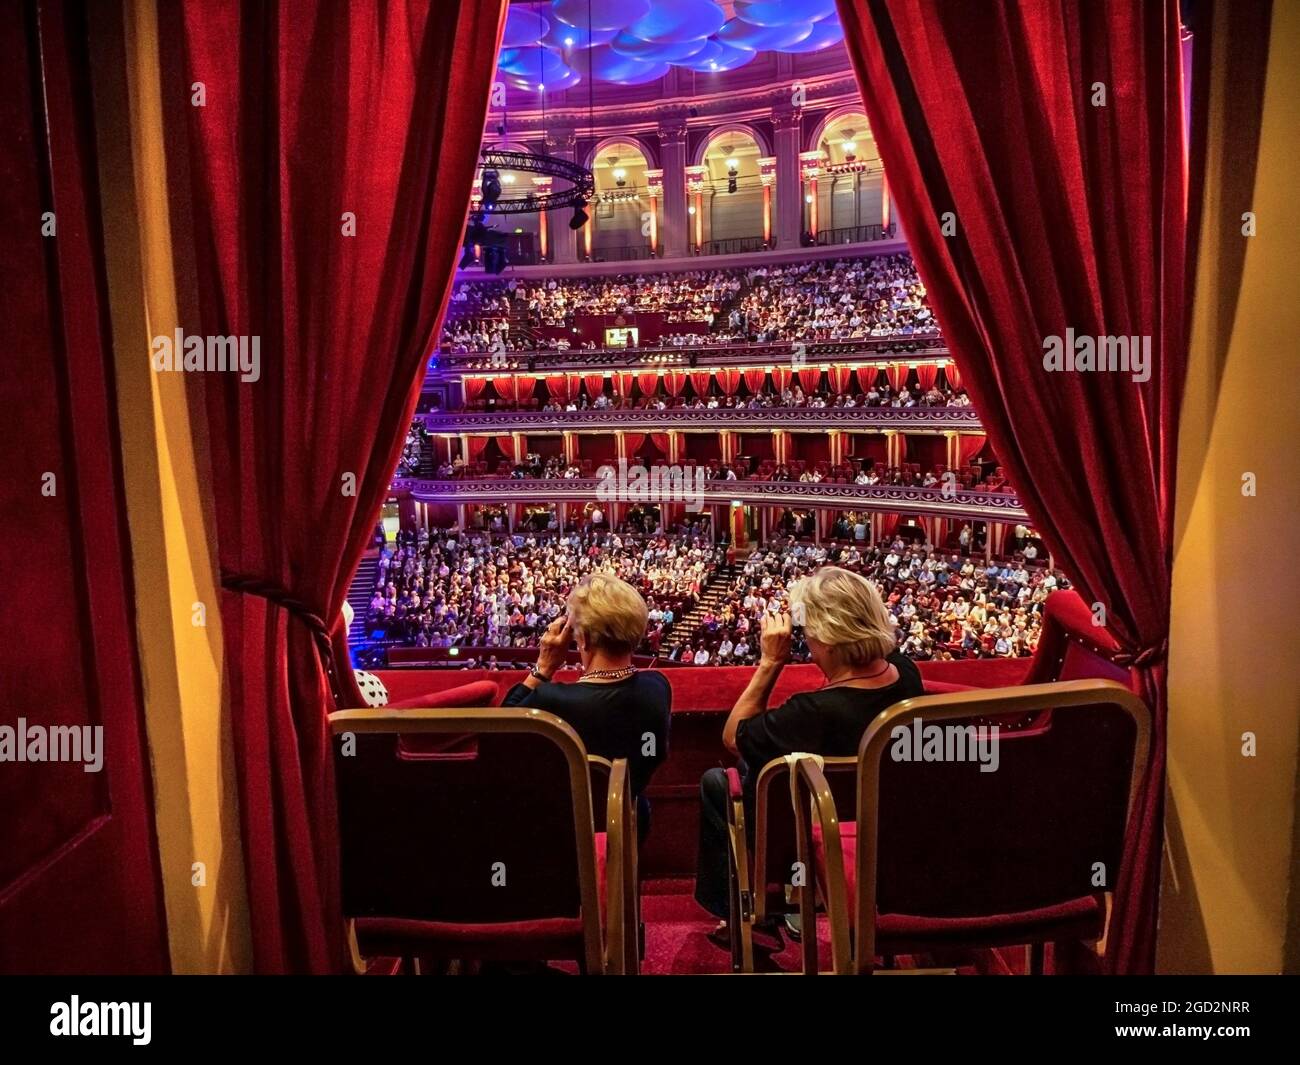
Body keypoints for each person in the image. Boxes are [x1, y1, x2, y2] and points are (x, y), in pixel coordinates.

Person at [694, 566, 924, 926]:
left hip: (817, 834)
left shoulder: (810, 713)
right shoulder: (906, 674)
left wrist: (771, 662)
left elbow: (732, 735)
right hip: (894, 828)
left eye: (808, 634)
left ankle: (743, 910)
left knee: (719, 782)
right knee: (749, 768)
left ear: (828, 640)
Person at [502, 573, 671, 839]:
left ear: (585, 639)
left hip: (561, 831)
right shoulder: (658, 688)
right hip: (626, 823)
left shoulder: (551, 701)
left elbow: (503, 726)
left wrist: (544, 667)